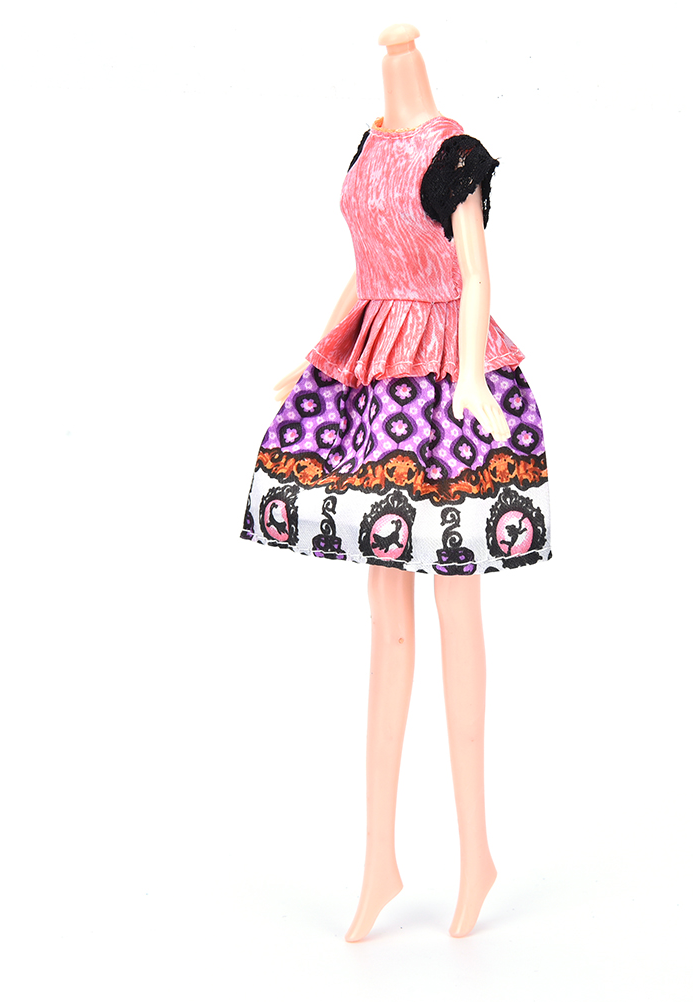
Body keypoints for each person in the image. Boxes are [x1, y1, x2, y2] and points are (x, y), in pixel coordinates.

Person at [240, 23, 552, 940]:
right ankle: (379, 860)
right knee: (387, 622)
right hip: (378, 378)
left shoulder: (455, 155)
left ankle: (475, 851)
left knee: (457, 606)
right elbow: (366, 270)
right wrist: (312, 352)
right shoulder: (369, 144)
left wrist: (470, 379)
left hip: (443, 387)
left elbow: (476, 277)